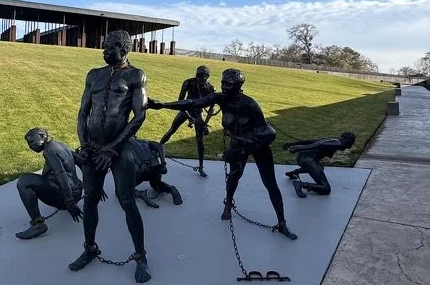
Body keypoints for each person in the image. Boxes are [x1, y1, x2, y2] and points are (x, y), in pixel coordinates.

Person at [147, 68, 297, 239]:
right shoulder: (220, 98)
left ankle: (282, 223)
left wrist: (247, 141)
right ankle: (228, 204)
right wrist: (162, 105)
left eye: (228, 84)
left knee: (270, 184)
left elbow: (267, 132)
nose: (223, 87)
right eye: (222, 83)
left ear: (239, 85)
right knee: (233, 178)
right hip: (238, 145)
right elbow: (192, 103)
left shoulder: (250, 104)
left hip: (257, 146)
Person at [68, 29, 152, 284]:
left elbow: (139, 116)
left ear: (123, 50)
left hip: (119, 148)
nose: (103, 52)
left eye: (108, 48)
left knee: (126, 201)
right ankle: (89, 248)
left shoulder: (136, 76)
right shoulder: (94, 75)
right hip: (93, 147)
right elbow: (83, 113)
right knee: (90, 199)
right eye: (103, 47)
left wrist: (113, 148)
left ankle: (140, 256)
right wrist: (84, 146)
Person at [15, 128, 84, 239]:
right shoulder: (61, 145)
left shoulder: (49, 151)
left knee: (24, 181)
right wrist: (91, 187)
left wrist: (69, 202)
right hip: (77, 192)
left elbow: (61, 174)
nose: (30, 146)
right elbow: (80, 161)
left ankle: (38, 224)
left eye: (32, 142)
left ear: (42, 136)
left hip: (66, 198)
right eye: (29, 143)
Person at [158, 65, 218, 176]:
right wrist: (189, 117)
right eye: (197, 75)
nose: (199, 78)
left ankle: (201, 167)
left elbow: (211, 107)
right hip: (185, 110)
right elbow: (180, 102)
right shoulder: (189, 83)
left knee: (200, 141)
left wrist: (205, 124)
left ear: (207, 76)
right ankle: (157, 148)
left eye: (202, 76)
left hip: (198, 113)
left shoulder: (211, 89)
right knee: (172, 130)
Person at [283, 131, 356, 197]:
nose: (350, 146)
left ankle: (293, 173)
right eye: (351, 143)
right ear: (348, 142)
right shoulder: (337, 143)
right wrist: (298, 148)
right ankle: (300, 184)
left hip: (304, 158)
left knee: (320, 167)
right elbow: (317, 145)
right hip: (307, 160)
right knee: (326, 189)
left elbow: (313, 142)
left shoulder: (334, 140)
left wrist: (291, 144)